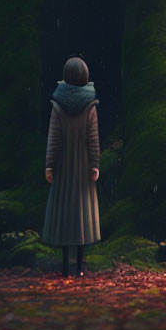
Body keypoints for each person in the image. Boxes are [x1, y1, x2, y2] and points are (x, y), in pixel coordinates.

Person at [41, 56, 101, 277]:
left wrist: (50, 165)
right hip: (83, 168)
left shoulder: (58, 105)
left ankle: (66, 265)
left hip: (65, 167)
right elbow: (92, 138)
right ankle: (79, 266)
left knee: (65, 215)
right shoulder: (90, 106)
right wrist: (94, 164)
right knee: (82, 216)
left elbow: (54, 138)